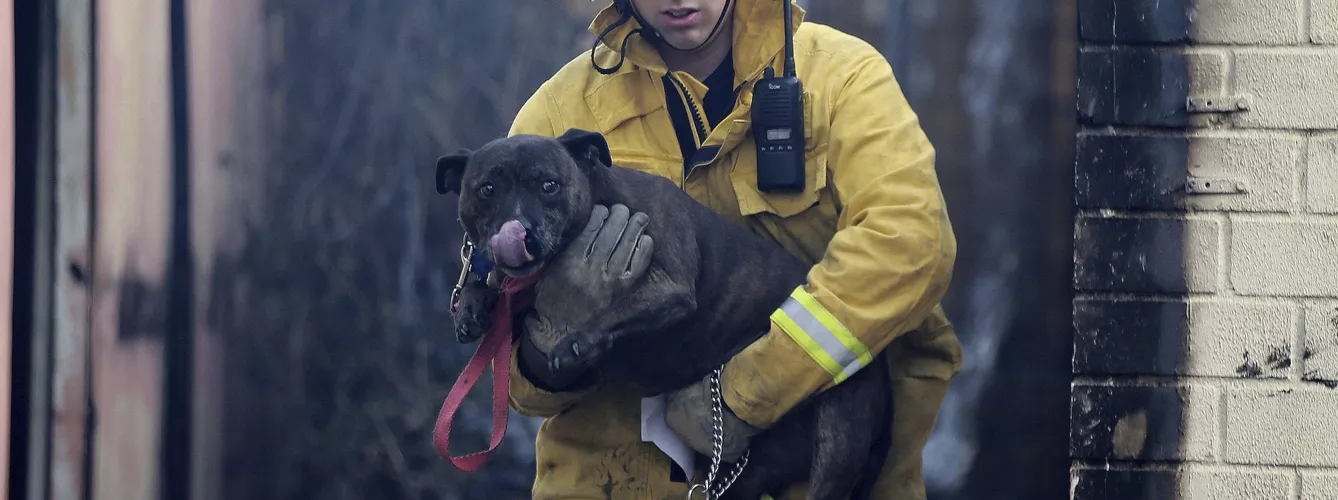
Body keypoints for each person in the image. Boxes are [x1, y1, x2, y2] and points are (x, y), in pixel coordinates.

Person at [501, 0, 963, 498]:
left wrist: (745, 394)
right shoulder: (558, 117)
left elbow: (911, 245)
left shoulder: (842, 80)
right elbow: (514, 388)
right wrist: (551, 338)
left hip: (818, 477)